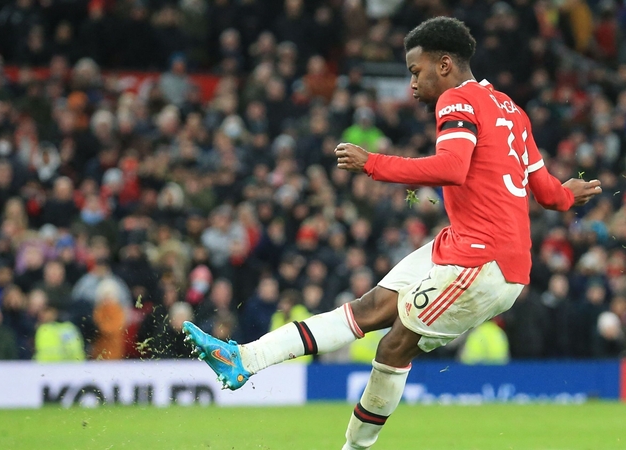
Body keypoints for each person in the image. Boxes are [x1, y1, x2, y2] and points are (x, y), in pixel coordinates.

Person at [182, 17, 603, 450]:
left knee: (393, 347)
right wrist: (569, 195)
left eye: (416, 72)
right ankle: (244, 358)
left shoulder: (456, 101)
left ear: (444, 65)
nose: (412, 84)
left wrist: (372, 163)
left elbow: (452, 167)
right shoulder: (512, 110)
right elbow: (547, 193)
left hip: (483, 261)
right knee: (367, 309)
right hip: (466, 244)